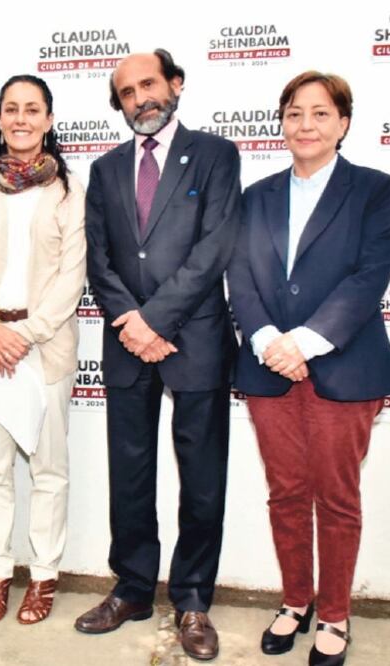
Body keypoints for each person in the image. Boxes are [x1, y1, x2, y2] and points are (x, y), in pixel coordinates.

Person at [227, 71, 390, 666]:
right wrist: (271, 339)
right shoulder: (257, 195)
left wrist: (305, 341)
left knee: (336, 496)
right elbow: (241, 276)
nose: (306, 124)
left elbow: (369, 276)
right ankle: (296, 600)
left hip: (344, 369)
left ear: (343, 124)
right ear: (282, 122)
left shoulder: (373, 189)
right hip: (268, 368)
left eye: (320, 113)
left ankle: (334, 614)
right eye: (295, 113)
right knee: (286, 495)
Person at [74, 49, 241, 661]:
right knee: (130, 473)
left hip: (193, 337)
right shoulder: (106, 167)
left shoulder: (217, 154)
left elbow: (216, 245)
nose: (140, 97)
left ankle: (193, 597)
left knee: (202, 478)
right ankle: (134, 587)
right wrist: (131, 322)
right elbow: (100, 258)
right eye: (126, 92)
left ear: (175, 85)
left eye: (149, 84)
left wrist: (157, 320)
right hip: (125, 341)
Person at [0, 74, 86, 625]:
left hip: (44, 347)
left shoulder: (68, 190)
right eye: (11, 108)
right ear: (0, 117)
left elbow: (72, 275)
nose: (21, 119)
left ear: (49, 120)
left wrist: (24, 335)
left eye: (32, 109)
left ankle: (45, 575)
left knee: (48, 468)